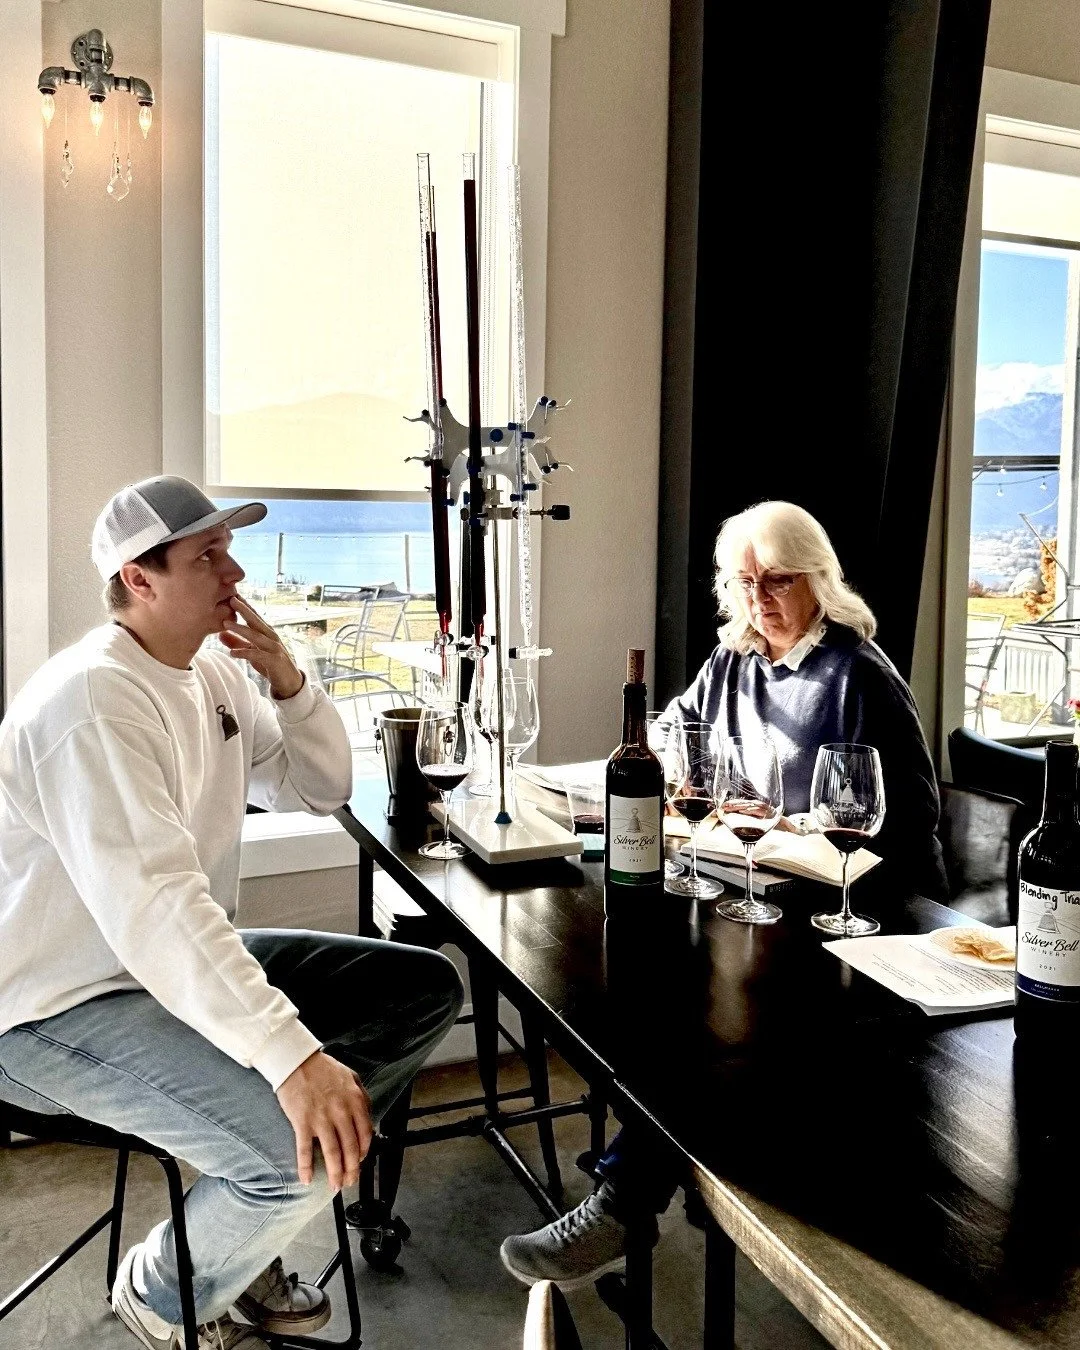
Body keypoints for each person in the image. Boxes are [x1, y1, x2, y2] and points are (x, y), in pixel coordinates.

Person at [0, 476, 463, 1350]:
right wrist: (292, 1063)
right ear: (139, 578)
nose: (235, 569)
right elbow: (156, 904)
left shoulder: (211, 670)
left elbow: (320, 785)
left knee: (420, 987)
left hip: (155, 971)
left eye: (228, 546)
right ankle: (164, 1289)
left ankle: (256, 1211)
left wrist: (290, 681)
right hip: (48, 1006)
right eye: (206, 554)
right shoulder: (93, 700)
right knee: (288, 1160)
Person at [500, 499, 947, 1291]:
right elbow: (675, 734)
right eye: (744, 582)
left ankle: (623, 1198)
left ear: (817, 579)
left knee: (690, 1017)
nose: (759, 599)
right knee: (642, 983)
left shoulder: (857, 675)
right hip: (752, 894)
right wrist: (678, 772)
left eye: (776, 580)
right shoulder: (734, 658)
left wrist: (795, 823)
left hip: (856, 917)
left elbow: (907, 829)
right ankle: (653, 1169)